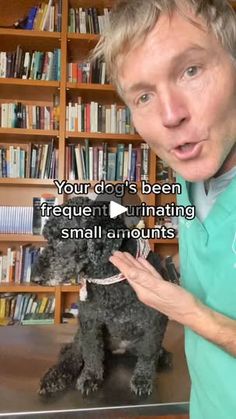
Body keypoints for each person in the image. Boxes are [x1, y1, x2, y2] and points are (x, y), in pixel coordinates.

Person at [91, 1, 236, 418]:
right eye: (144, 95)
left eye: (191, 70)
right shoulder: (185, 175)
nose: (171, 115)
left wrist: (186, 310)